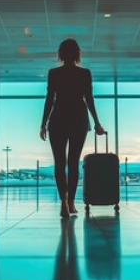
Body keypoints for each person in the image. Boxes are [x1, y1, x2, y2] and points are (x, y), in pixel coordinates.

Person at [40, 38, 105, 218]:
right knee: (73, 162)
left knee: (59, 163)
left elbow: (50, 100)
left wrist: (43, 124)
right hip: (78, 119)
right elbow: (89, 99)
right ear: (78, 54)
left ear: (60, 54)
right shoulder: (84, 73)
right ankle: (71, 202)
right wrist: (97, 123)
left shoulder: (54, 73)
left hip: (58, 119)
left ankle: (63, 202)